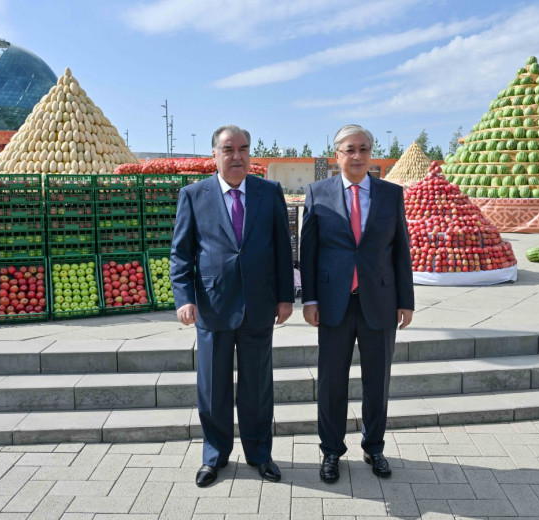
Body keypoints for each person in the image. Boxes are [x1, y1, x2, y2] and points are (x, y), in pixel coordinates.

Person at [171, 124, 294, 487]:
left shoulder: (269, 192)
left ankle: (260, 455)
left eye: (243, 149)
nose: (237, 156)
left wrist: (286, 296)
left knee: (257, 388)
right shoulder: (194, 195)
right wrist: (185, 298)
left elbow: (282, 248)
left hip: (259, 305)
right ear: (215, 155)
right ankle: (214, 457)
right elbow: (181, 254)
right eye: (228, 149)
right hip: (213, 306)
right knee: (213, 389)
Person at [300, 124, 415, 483]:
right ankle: (331, 451)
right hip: (333, 304)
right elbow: (309, 252)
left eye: (364, 149)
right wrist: (310, 299)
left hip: (379, 302)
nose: (357, 155)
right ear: (337, 155)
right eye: (350, 149)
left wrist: (406, 300)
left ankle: (374, 447)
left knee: (377, 381)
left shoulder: (390, 194)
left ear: (371, 154)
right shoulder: (317, 193)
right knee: (331, 383)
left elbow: (401, 251)